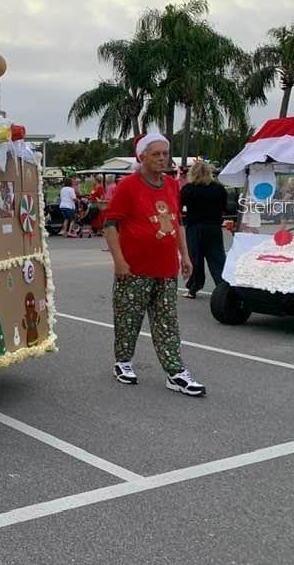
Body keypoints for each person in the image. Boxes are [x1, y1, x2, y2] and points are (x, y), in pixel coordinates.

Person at [103, 132, 206, 397]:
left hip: (166, 269)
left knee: (167, 322)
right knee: (128, 319)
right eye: (156, 154)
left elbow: (176, 221)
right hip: (134, 269)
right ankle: (123, 362)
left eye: (165, 153)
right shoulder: (128, 186)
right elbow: (110, 224)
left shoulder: (171, 184)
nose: (162, 158)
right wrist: (119, 261)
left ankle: (175, 372)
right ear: (142, 157)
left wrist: (185, 255)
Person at [180, 161, 228, 298]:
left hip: (195, 227)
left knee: (195, 259)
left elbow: (180, 206)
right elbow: (225, 206)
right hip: (213, 227)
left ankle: (193, 288)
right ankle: (224, 289)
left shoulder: (188, 189)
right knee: (217, 258)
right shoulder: (219, 188)